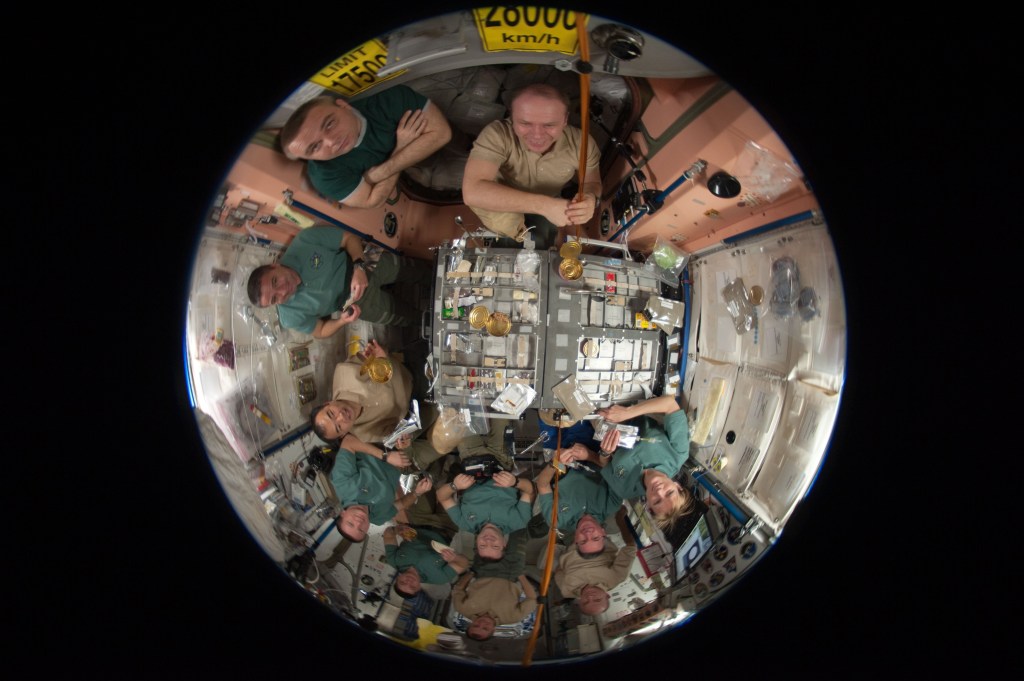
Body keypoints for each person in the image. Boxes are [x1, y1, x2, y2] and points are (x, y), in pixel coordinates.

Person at [461, 83, 602, 249]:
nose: (537, 135)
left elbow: (592, 183)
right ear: (512, 117)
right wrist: (544, 205)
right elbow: (473, 192)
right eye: (525, 123)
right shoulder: (497, 134)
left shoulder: (582, 144)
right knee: (511, 240)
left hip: (551, 200)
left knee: (544, 241)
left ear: (565, 120)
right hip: (502, 199)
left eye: (549, 125)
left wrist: (590, 198)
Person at [279, 86, 452, 209]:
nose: (331, 142)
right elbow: (372, 201)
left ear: (343, 105)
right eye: (315, 147)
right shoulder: (323, 176)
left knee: (456, 140)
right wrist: (401, 148)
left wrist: (377, 175)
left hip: (426, 140)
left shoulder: (387, 98)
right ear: (310, 159)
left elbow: (442, 133)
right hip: (406, 159)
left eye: (329, 124)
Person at [246, 225, 433, 338]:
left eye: (274, 282)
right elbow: (319, 331)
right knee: (409, 318)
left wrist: (359, 267)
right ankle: (443, 325)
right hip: (352, 301)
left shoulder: (303, 241)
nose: (282, 290)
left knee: (419, 272)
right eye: (274, 299)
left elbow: (348, 238)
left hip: (360, 263)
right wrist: (341, 321)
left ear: (273, 266)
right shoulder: (289, 318)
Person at [562, 393, 696, 533]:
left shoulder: (625, 489)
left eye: (657, 501)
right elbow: (670, 404)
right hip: (635, 400)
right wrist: (626, 412)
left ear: (649, 506)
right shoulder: (678, 454)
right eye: (669, 493)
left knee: (573, 394)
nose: (659, 491)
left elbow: (604, 464)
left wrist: (605, 453)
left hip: (605, 423)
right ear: (677, 486)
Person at [309, 339, 443, 471]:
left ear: (327, 403)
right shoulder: (365, 434)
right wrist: (405, 439)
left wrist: (381, 353)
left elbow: (378, 352)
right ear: (343, 434)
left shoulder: (345, 372)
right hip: (420, 401)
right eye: (339, 427)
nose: (341, 417)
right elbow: (397, 431)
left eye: (331, 413)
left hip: (412, 365)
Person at [435, 425, 536, 553]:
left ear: (476, 544)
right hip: (502, 460)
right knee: (503, 410)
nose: (488, 541)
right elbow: (530, 490)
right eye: (495, 546)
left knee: (463, 415)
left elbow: (441, 497)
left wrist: (454, 486)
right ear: (504, 543)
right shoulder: (519, 522)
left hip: (471, 458)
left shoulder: (464, 523)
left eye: (482, 546)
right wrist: (515, 482)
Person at [329, 447, 432, 542]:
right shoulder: (379, 518)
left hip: (382, 446)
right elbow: (401, 504)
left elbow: (348, 443)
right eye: (361, 530)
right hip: (403, 464)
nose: (358, 523)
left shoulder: (342, 483)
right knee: (438, 447)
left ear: (342, 513)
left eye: (350, 523)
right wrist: (417, 492)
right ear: (367, 529)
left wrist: (386, 456)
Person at [552, 506, 637, 616]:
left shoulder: (567, 590)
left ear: (579, 602)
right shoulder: (616, 577)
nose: (590, 597)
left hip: (569, 540)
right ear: (607, 595)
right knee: (592, 504)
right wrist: (620, 518)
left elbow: (558, 571)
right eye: (597, 600)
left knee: (562, 508)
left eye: (586, 602)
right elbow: (631, 547)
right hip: (595, 533)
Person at [383, 524, 469, 599]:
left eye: (403, 582)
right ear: (419, 588)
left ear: (398, 578)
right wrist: (454, 558)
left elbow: (388, 534)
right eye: (412, 586)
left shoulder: (393, 560)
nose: (408, 581)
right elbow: (463, 564)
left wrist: (397, 529)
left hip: (417, 522)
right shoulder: (438, 578)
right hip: (446, 529)